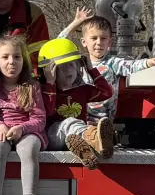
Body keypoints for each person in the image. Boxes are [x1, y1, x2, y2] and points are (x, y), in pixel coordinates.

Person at [58, 9, 155, 156]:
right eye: (94, 38)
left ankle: (97, 144)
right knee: (72, 126)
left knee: (98, 134)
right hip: (82, 120)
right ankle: (87, 147)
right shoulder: (78, 64)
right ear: (84, 42)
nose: (98, 42)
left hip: (103, 123)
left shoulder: (113, 63)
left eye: (103, 38)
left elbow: (131, 66)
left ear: (110, 42)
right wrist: (76, 22)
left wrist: (149, 62)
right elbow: (59, 45)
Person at [0, 34, 47, 195]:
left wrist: (22, 128)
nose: (12, 62)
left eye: (17, 57)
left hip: (28, 131)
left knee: (29, 148)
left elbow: (39, 118)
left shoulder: (32, 86)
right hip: (3, 131)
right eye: (5, 57)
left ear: (24, 59)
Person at [37, 37, 113, 168]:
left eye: (72, 65)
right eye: (61, 67)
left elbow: (107, 92)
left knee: (78, 127)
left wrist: (91, 69)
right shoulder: (43, 90)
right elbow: (47, 111)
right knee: (70, 123)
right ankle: (96, 139)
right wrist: (50, 84)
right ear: (48, 72)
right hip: (52, 137)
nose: (68, 70)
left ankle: (87, 150)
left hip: (75, 136)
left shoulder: (81, 90)